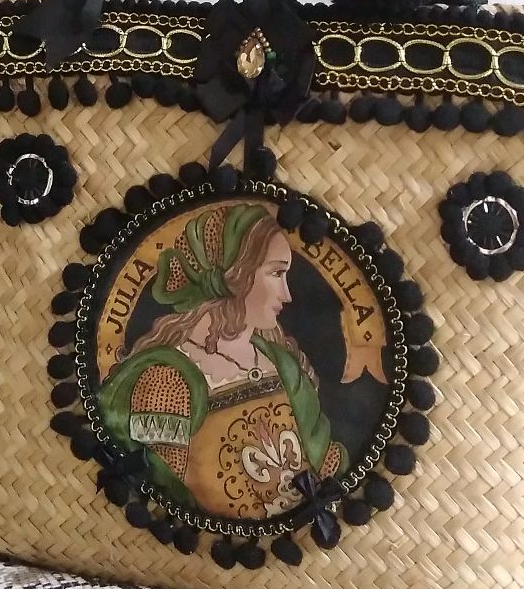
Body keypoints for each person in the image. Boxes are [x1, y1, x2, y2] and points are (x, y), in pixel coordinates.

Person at [97, 202, 347, 519]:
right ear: (234, 277)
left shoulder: (281, 364)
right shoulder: (167, 381)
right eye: (276, 273)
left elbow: (325, 461)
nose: (287, 294)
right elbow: (168, 496)